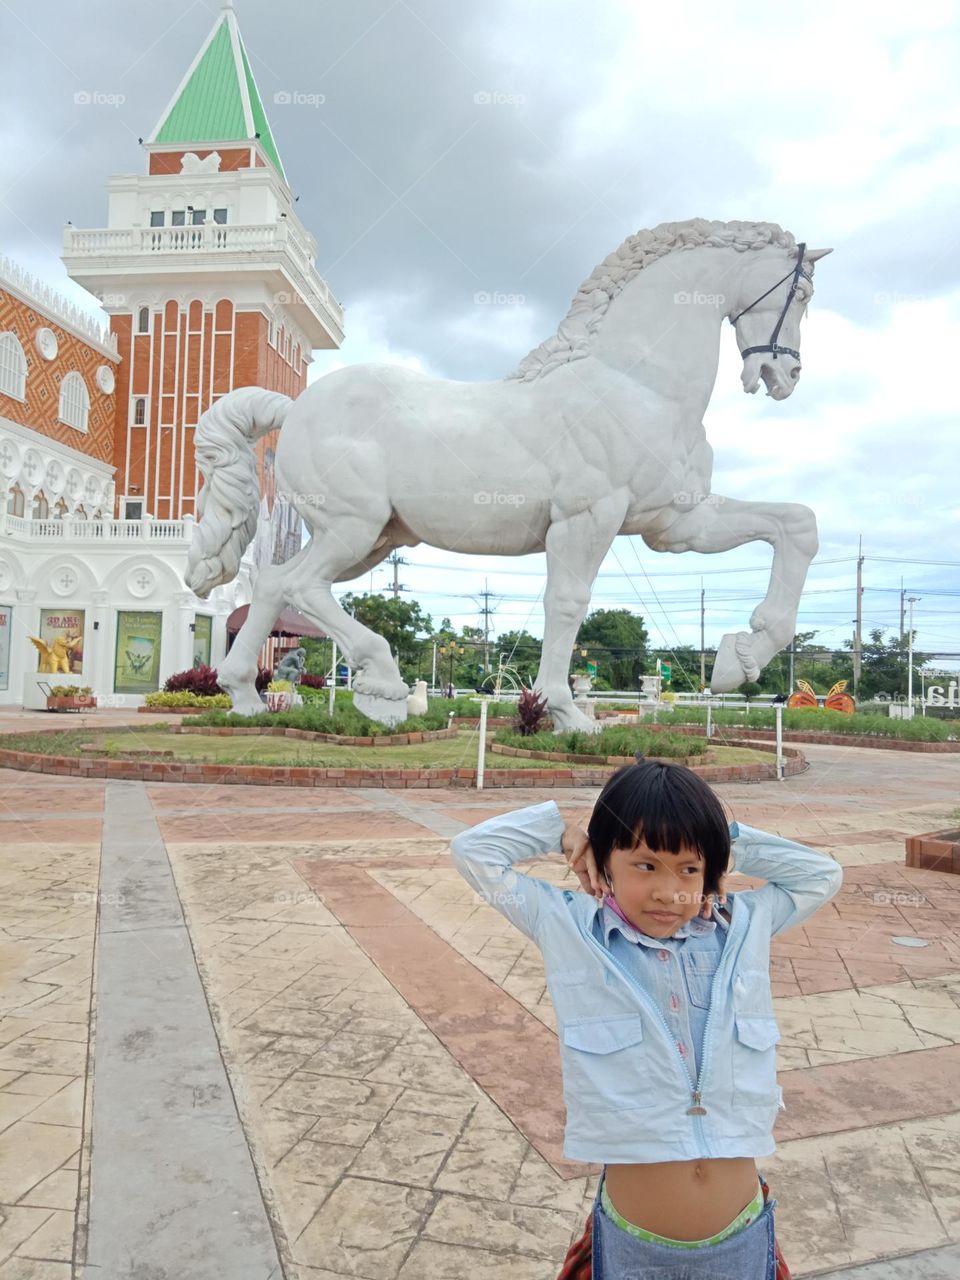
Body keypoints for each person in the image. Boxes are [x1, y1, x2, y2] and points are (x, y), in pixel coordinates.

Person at [449, 761, 843, 1278]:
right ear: (604, 863)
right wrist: (563, 832)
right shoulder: (567, 925)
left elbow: (822, 875)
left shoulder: (741, 926)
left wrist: (722, 843)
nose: (668, 892)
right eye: (645, 865)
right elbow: (473, 852)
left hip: (742, 1236)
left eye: (688, 869)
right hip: (635, 1245)